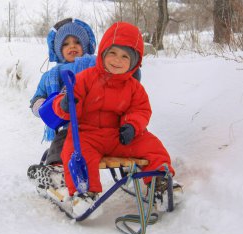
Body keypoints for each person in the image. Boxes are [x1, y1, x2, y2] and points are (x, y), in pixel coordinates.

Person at [52, 22, 176, 216]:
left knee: (151, 144)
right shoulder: (85, 78)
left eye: (125, 56)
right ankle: (85, 193)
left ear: (134, 62)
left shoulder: (134, 87)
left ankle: (160, 182)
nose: (117, 60)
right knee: (76, 152)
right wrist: (65, 104)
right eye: (113, 53)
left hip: (119, 136)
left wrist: (132, 126)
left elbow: (141, 110)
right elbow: (65, 101)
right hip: (88, 135)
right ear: (102, 52)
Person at [27, 18, 97, 191]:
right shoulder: (52, 75)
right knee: (63, 141)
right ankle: (56, 170)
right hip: (71, 125)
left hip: (98, 123)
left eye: (77, 42)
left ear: (86, 45)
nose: (72, 46)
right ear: (58, 50)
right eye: (66, 44)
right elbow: (37, 98)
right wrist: (43, 106)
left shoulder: (96, 66)